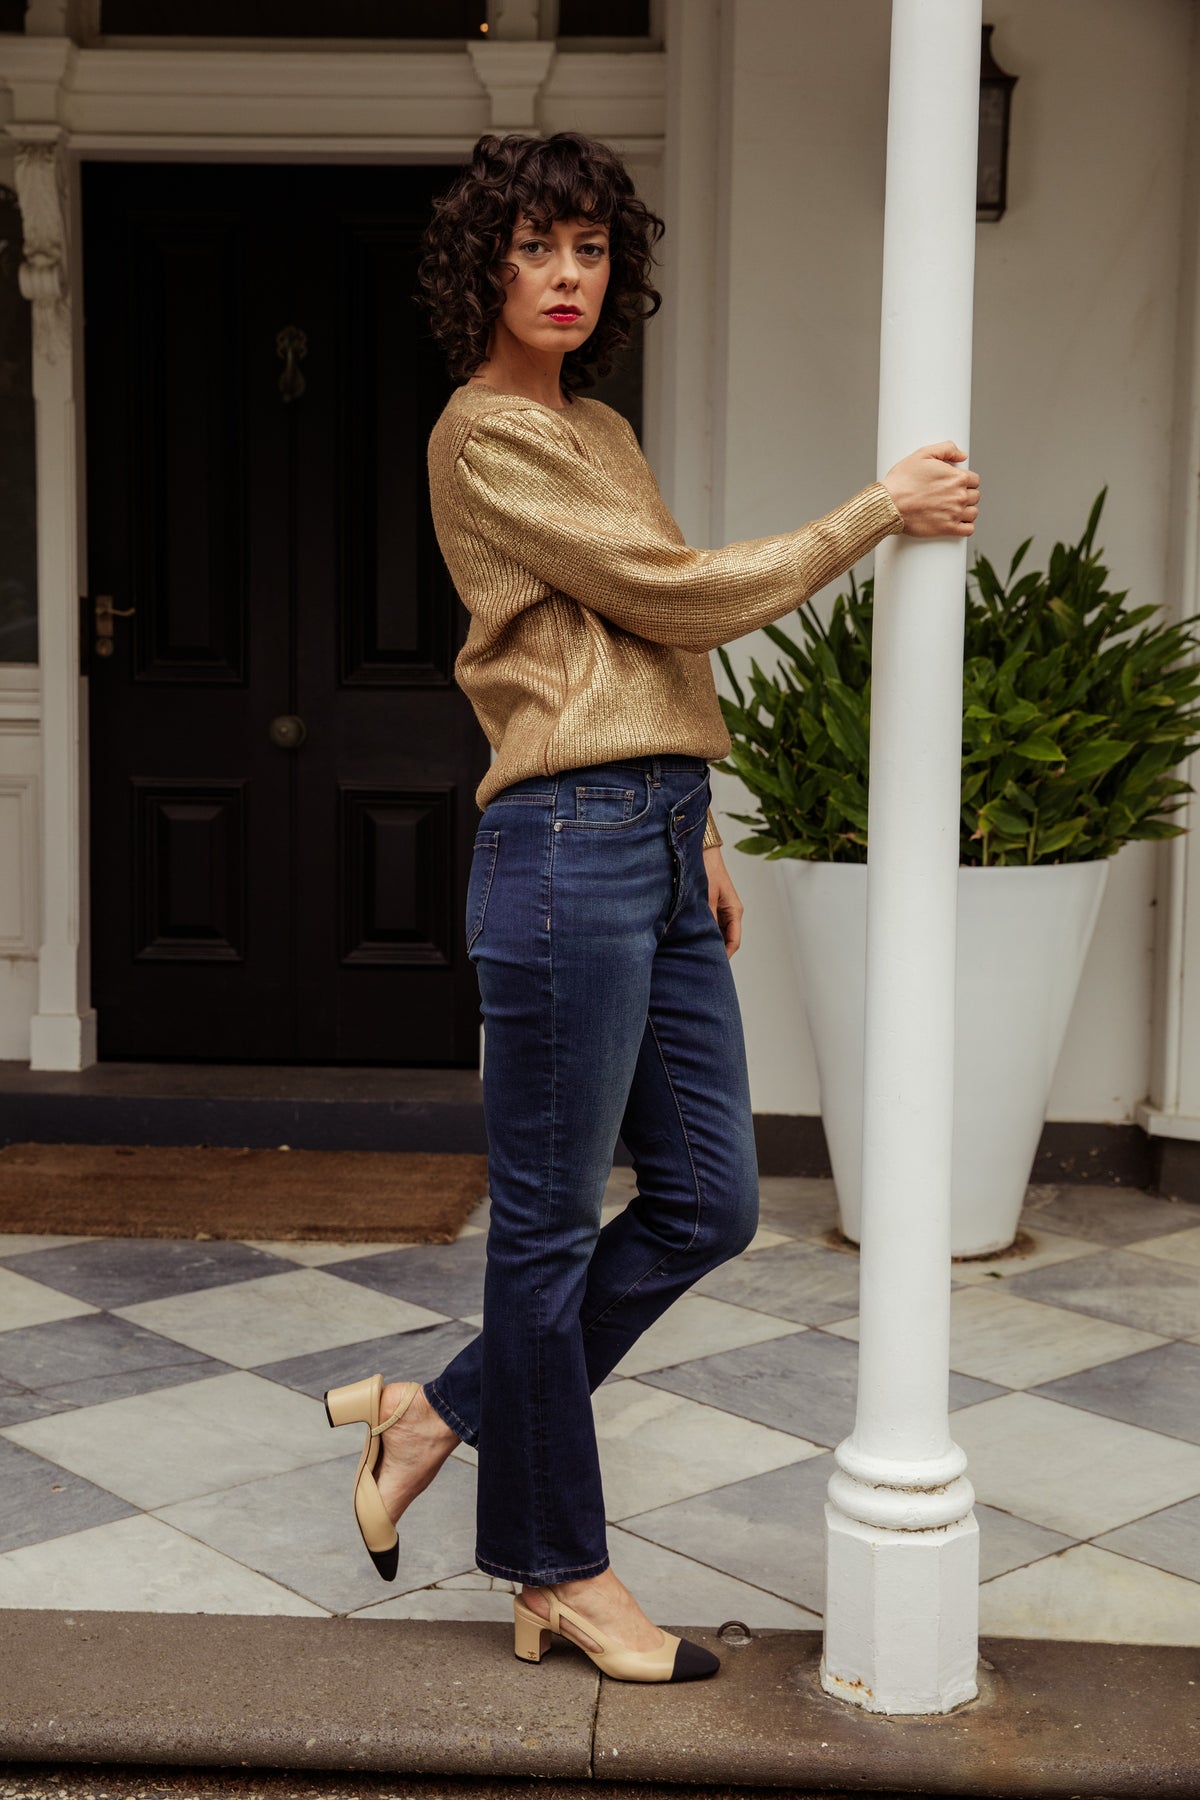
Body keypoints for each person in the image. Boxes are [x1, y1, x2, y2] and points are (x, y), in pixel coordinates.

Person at [324, 129, 981, 1685]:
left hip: (656, 833)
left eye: (591, 248)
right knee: (548, 1233)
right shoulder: (482, 436)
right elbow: (682, 595)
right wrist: (874, 512)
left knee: (710, 1201)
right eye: (535, 247)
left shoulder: (600, 425)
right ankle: (557, 1569)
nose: (566, 276)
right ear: (482, 267)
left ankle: (435, 1414)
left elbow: (648, 636)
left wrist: (704, 827)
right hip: (563, 845)